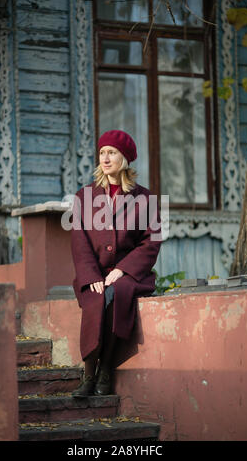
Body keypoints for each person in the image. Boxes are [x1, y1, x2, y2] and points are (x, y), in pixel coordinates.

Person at [70, 129, 162, 397]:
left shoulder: (145, 199)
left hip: (130, 274)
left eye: (112, 152)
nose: (105, 158)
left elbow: (151, 242)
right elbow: (79, 242)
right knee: (96, 299)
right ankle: (89, 375)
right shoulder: (84, 196)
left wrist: (123, 270)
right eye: (102, 153)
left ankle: (107, 369)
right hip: (94, 273)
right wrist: (91, 276)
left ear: (125, 158)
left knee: (118, 295)